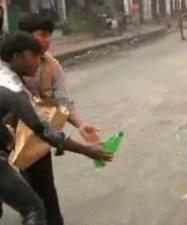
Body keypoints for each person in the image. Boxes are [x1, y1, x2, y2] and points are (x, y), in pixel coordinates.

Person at [0, 31, 112, 225]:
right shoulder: (13, 88)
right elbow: (44, 130)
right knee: (33, 208)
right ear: (17, 56)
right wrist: (88, 150)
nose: (38, 62)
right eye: (34, 56)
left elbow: (60, 100)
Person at [18, 14, 102, 225]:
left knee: (43, 198)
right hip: (8, 138)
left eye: (50, 36)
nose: (48, 41)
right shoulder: (6, 71)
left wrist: (81, 124)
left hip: (33, 139)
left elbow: (62, 101)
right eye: (43, 35)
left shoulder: (51, 65)